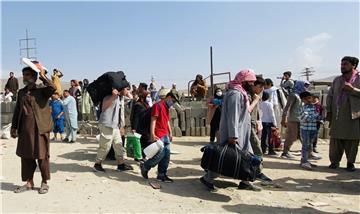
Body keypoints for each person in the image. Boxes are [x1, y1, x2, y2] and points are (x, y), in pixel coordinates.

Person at [200, 69, 261, 191]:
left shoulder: (240, 93)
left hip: (241, 132)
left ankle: (245, 181)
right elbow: (233, 115)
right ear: (244, 81)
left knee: (246, 157)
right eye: (251, 82)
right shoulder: (235, 94)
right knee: (225, 157)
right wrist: (233, 135)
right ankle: (208, 178)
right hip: (234, 133)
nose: (252, 85)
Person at [11, 65, 55, 194]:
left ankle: (44, 182)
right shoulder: (21, 92)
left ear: (34, 77)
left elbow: (53, 88)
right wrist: (14, 127)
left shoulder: (42, 90)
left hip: (40, 129)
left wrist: (42, 75)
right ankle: (29, 182)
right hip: (25, 130)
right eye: (24, 75)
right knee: (26, 156)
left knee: (42, 156)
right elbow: (17, 110)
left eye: (28, 75)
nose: (25, 77)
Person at [326, 56, 360, 172]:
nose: (342, 66)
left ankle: (350, 163)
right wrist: (329, 111)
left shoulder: (359, 78)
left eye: (345, 64)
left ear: (353, 65)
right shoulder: (337, 80)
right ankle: (334, 162)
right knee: (336, 139)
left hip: (354, 115)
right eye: (341, 64)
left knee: (352, 140)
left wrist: (352, 90)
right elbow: (330, 96)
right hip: (337, 115)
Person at [140, 91, 180, 183]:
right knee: (160, 155)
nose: (173, 103)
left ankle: (161, 175)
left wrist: (170, 133)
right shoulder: (157, 106)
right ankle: (145, 166)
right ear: (168, 97)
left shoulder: (167, 108)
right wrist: (152, 134)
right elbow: (153, 120)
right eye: (173, 101)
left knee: (166, 156)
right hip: (158, 135)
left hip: (165, 134)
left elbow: (166, 121)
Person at [93, 87, 134, 172]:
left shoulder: (120, 98)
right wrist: (113, 96)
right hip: (106, 124)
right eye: (126, 89)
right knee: (105, 146)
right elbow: (103, 108)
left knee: (118, 145)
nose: (127, 90)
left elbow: (131, 98)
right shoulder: (108, 96)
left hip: (115, 126)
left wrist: (126, 93)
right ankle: (97, 164)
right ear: (121, 89)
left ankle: (121, 164)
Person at [281, 80, 310, 159]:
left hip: (300, 120)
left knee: (303, 137)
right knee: (291, 136)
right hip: (293, 120)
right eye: (305, 86)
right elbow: (287, 107)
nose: (306, 88)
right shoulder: (293, 95)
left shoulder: (301, 96)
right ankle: (285, 153)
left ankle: (309, 153)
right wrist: (284, 118)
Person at [299, 91, 323, 170]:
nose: (310, 100)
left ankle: (306, 160)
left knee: (309, 145)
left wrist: (318, 117)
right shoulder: (303, 108)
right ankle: (304, 161)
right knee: (305, 146)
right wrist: (316, 117)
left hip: (312, 129)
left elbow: (318, 117)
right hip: (305, 130)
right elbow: (306, 118)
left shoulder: (313, 107)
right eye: (308, 98)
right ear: (303, 100)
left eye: (310, 98)